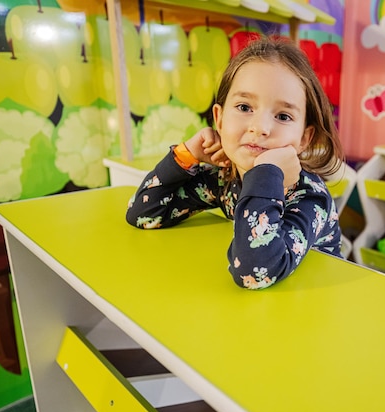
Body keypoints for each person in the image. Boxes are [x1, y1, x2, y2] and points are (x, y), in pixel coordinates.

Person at [126, 36, 346, 290]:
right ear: (219, 119)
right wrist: (187, 155)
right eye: (244, 107)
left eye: (283, 116)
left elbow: (255, 271)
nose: (260, 128)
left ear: (304, 138)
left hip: (314, 308)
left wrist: (266, 174)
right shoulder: (223, 179)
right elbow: (144, 214)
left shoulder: (309, 197)